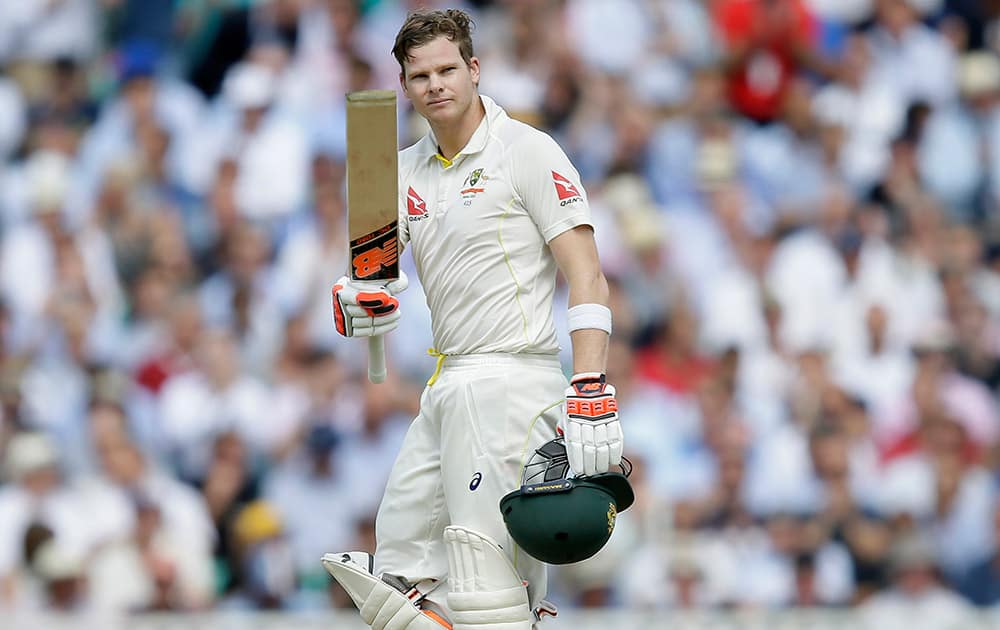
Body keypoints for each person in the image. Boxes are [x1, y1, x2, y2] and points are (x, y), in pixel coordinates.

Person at [325, 8, 623, 630]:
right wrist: (358, 308)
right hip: (448, 382)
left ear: (474, 69)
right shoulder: (399, 172)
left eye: (446, 69)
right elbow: (370, 289)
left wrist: (590, 387)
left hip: (513, 381)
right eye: (419, 76)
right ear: (405, 87)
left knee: (484, 582)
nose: (435, 84)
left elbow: (588, 275)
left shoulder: (527, 152)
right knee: (400, 574)